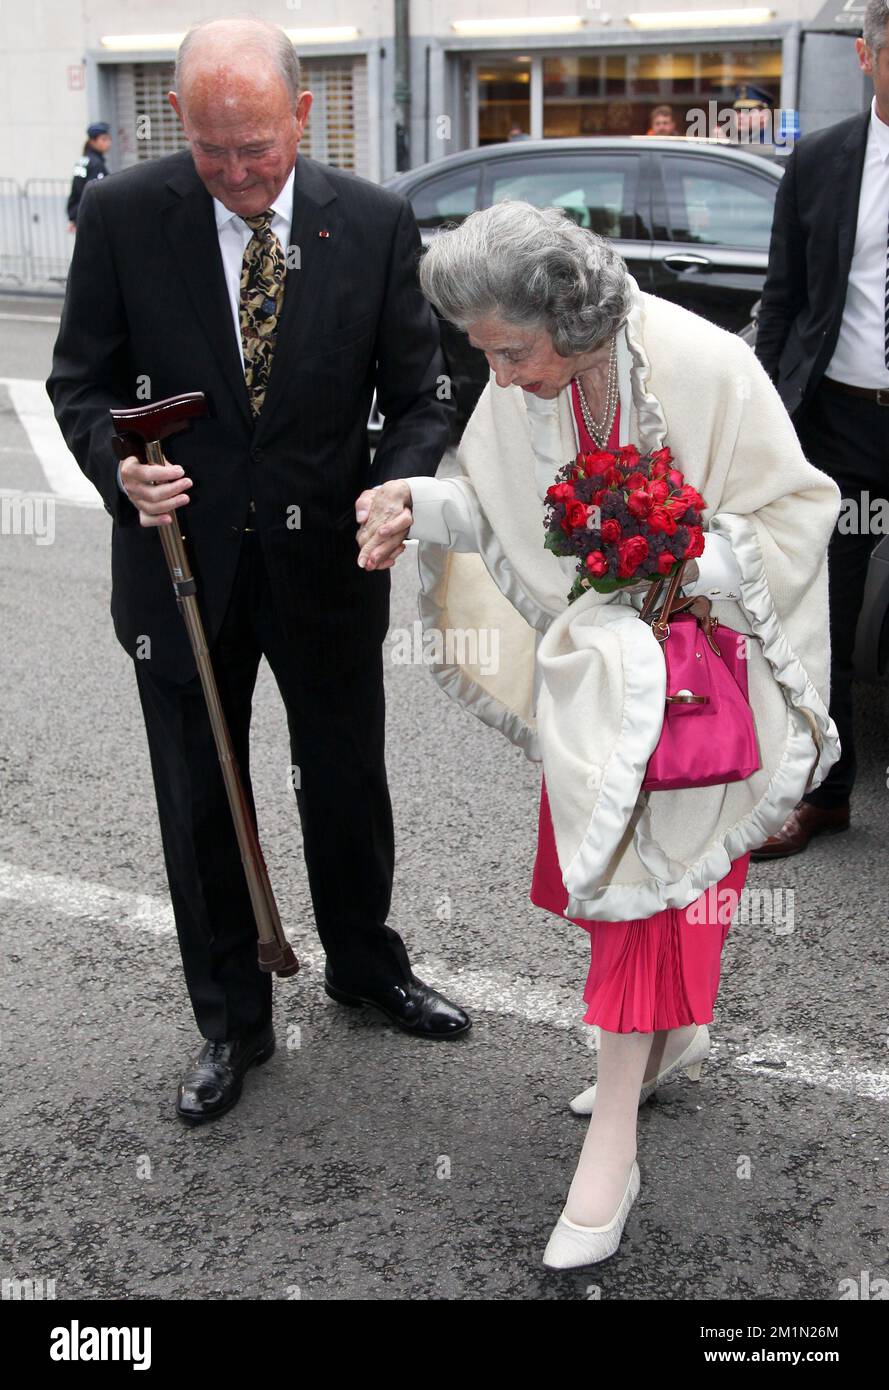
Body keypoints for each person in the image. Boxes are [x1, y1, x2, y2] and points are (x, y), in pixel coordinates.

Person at [354, 201, 840, 1267]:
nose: (498, 372)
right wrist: (411, 500)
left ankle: (612, 1147)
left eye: (509, 350)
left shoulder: (704, 365)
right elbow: (494, 505)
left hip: (706, 678)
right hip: (606, 694)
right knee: (630, 885)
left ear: (570, 320)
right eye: (479, 351)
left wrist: (682, 564)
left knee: (646, 900)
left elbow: (800, 512)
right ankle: (671, 1045)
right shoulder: (518, 378)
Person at [47, 16, 470, 1127]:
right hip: (179, 563)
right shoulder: (127, 215)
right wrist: (117, 471)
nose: (235, 173)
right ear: (178, 125)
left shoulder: (372, 224)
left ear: (302, 116)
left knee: (344, 777)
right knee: (198, 792)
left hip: (328, 557)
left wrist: (398, 485)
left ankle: (365, 964)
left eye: (257, 149)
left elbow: (423, 394)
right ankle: (231, 1018)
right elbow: (79, 384)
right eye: (210, 149)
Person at [753, 0, 889, 858]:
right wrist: (768, 410)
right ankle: (824, 793)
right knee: (823, 619)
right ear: (866, 56)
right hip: (838, 421)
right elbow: (786, 298)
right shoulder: (822, 160)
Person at [67, 122, 111, 230]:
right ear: (93, 141)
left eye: (108, 139)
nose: (108, 143)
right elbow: (97, 193)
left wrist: (75, 218)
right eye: (104, 139)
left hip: (80, 211)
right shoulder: (95, 164)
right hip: (89, 214)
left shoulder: (84, 159)